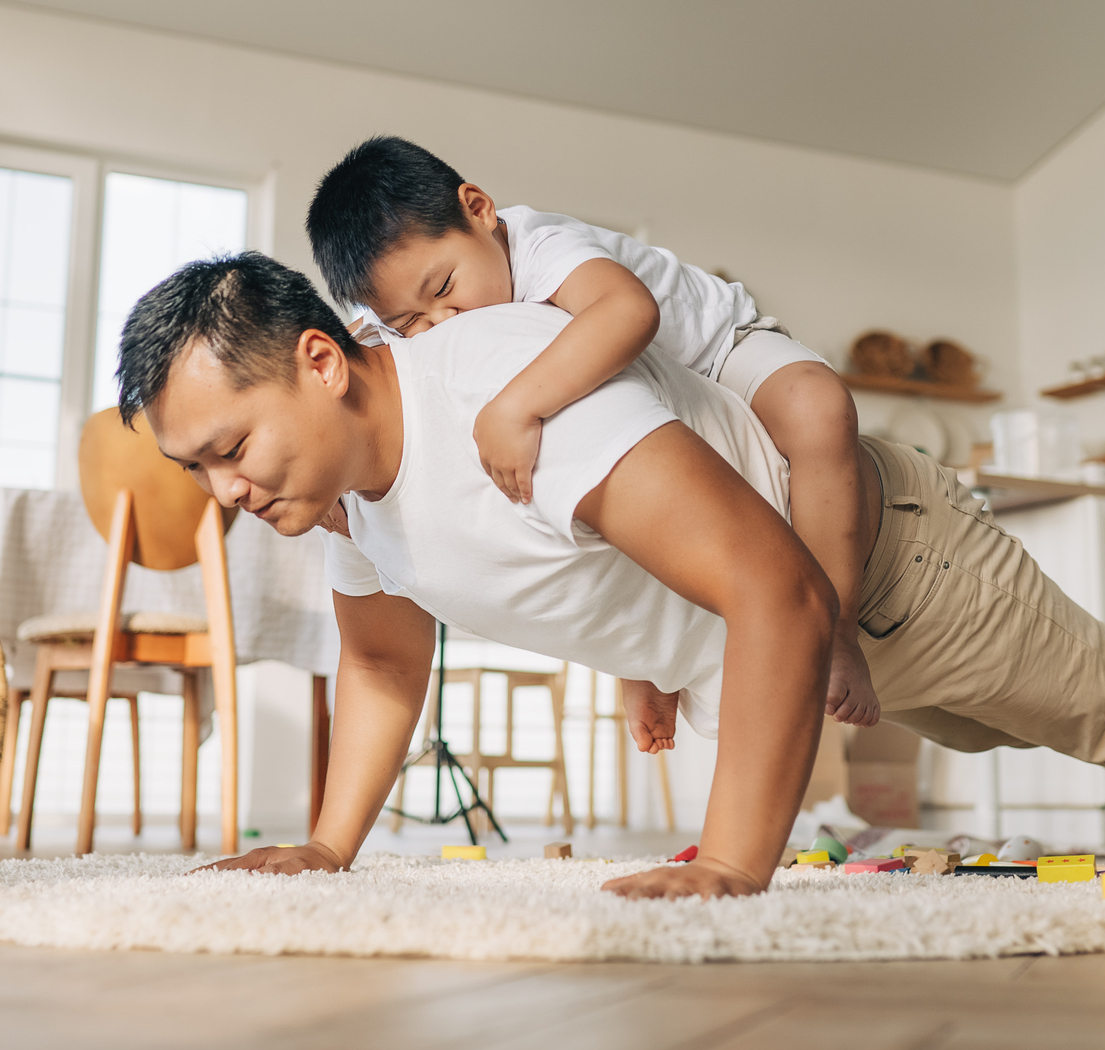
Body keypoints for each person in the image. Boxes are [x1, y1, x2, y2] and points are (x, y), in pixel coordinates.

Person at [120, 252, 1105, 899]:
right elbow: (391, 661)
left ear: (321, 358)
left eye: (231, 449)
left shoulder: (509, 391)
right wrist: (328, 845)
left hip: (887, 557)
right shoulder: (342, 498)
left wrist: (737, 866)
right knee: (1011, 717)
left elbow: (779, 591)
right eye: (202, 470)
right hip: (791, 624)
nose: (228, 494)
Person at [305, 136, 879, 741]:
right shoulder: (400, 317)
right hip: (651, 403)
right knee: (608, 492)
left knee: (820, 408)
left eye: (445, 288)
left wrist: (518, 406)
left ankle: (838, 634)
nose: (446, 325)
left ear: (478, 210)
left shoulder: (542, 245)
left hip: (719, 356)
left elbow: (628, 311)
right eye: (412, 323)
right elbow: (353, 364)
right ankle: (650, 669)